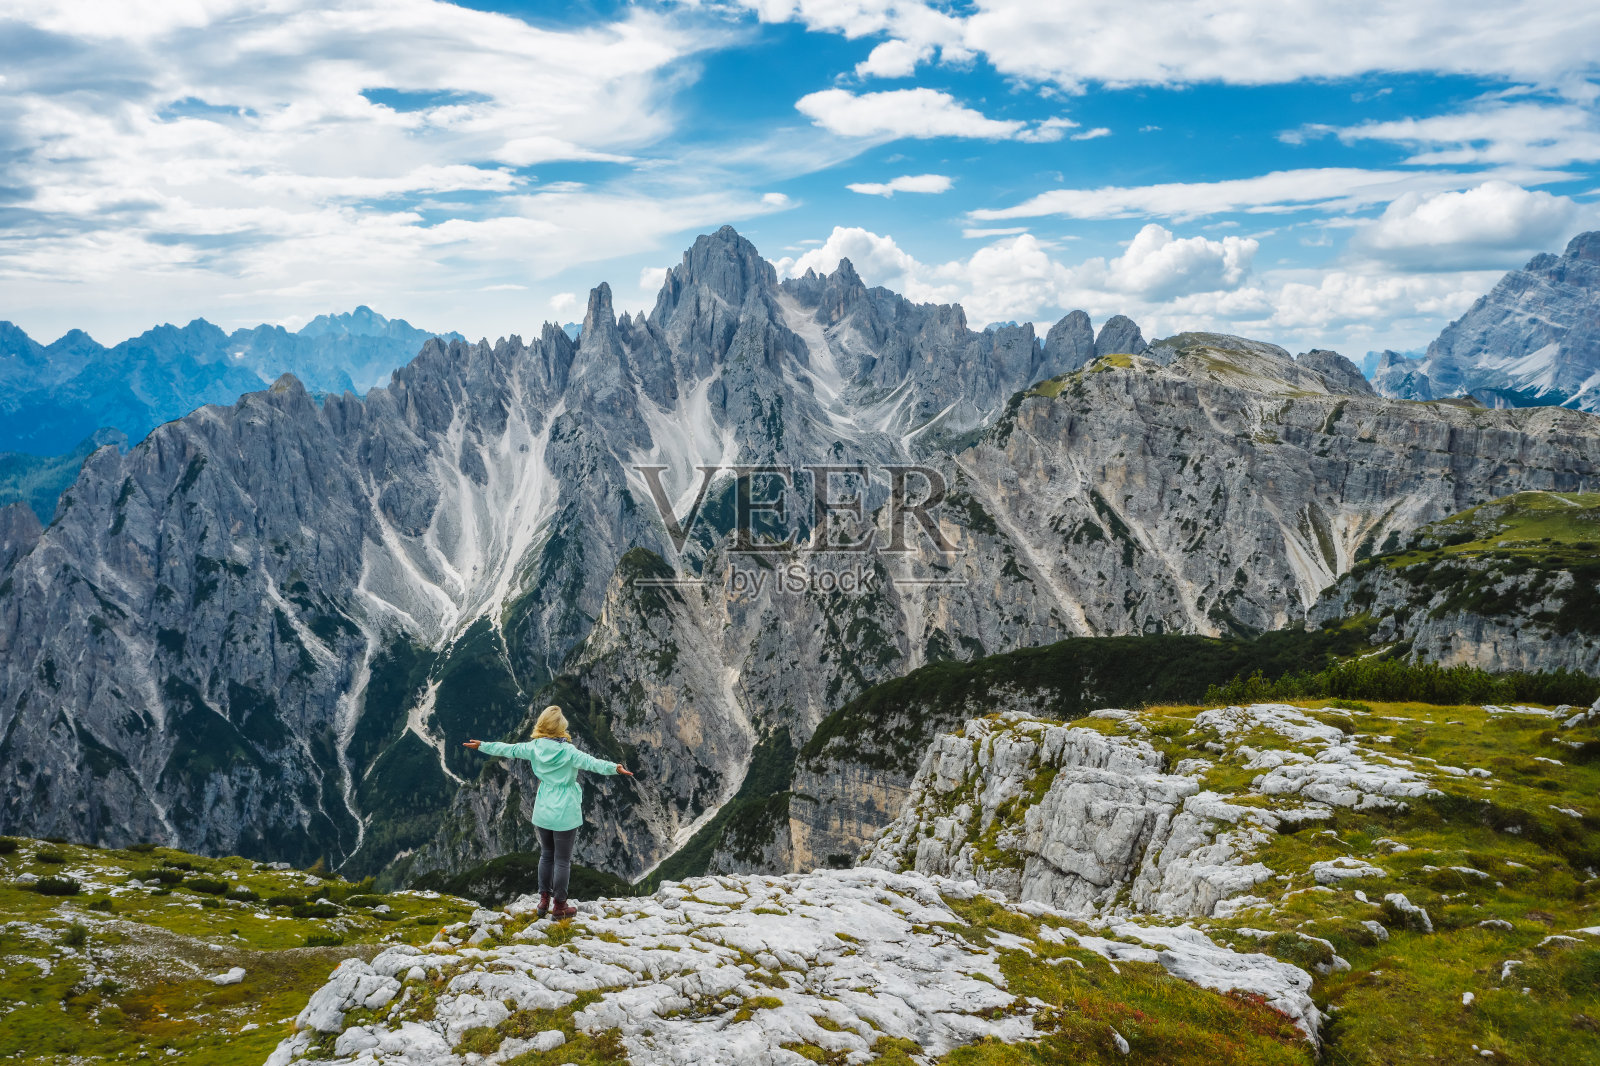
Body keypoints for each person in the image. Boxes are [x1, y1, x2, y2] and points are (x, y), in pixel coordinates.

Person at [463, 705, 633, 920]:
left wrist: (482, 746)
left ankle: (543, 901)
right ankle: (560, 906)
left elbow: (509, 749)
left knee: (546, 855)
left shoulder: (534, 748)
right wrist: (614, 768)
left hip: (543, 807)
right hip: (565, 810)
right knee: (562, 860)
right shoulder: (568, 751)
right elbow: (592, 763)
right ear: (560, 728)